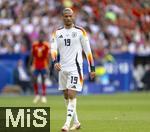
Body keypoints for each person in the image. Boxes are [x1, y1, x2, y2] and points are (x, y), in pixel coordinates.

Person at [50, 8, 95, 131]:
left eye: (70, 16)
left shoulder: (81, 31)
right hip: (62, 68)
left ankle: (66, 124)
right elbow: (53, 49)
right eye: (66, 16)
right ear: (62, 17)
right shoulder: (57, 32)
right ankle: (76, 122)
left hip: (76, 68)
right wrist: (55, 61)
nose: (68, 18)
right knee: (65, 95)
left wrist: (92, 67)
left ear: (73, 17)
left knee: (71, 94)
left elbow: (88, 51)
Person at [30, 32, 50, 103]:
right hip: (36, 64)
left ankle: (44, 95)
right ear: (38, 37)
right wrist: (31, 65)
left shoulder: (46, 45)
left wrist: (48, 66)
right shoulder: (34, 45)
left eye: (42, 37)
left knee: (43, 79)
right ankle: (37, 95)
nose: (41, 38)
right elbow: (32, 56)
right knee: (34, 79)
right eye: (40, 36)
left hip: (44, 65)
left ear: (44, 37)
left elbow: (48, 57)